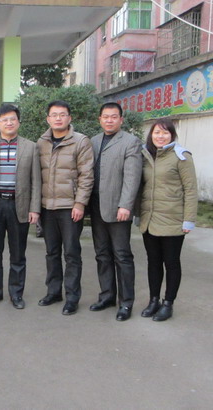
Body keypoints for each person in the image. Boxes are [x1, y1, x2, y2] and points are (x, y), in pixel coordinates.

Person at [0, 103, 41, 309]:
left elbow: (36, 181)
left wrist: (34, 208)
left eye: (13, 119)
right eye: (5, 120)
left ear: (19, 122)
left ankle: (16, 294)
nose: (9, 123)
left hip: (18, 205)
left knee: (18, 254)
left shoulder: (31, 147)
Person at [37, 100, 94, 316]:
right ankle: (53, 292)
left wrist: (80, 203)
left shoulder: (80, 141)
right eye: (54, 115)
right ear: (48, 119)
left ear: (69, 118)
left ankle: (72, 297)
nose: (58, 118)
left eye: (62, 114)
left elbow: (87, 175)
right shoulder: (41, 142)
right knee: (51, 252)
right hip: (47, 207)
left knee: (71, 253)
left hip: (70, 208)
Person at [138, 118, 198, 321]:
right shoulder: (146, 155)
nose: (160, 136)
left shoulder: (181, 157)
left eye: (165, 133)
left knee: (171, 263)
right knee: (153, 262)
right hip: (150, 219)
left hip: (173, 219)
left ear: (172, 135)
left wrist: (189, 219)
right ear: (151, 135)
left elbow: (191, 190)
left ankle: (168, 303)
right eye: (157, 132)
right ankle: (153, 300)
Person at [89, 102, 142, 321]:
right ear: (100, 119)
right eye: (105, 117)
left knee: (122, 255)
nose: (109, 120)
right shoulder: (93, 141)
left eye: (113, 117)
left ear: (121, 119)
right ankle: (107, 296)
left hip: (118, 207)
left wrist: (126, 205)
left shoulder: (131, 142)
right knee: (102, 254)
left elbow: (132, 177)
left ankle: (126, 302)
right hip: (96, 206)